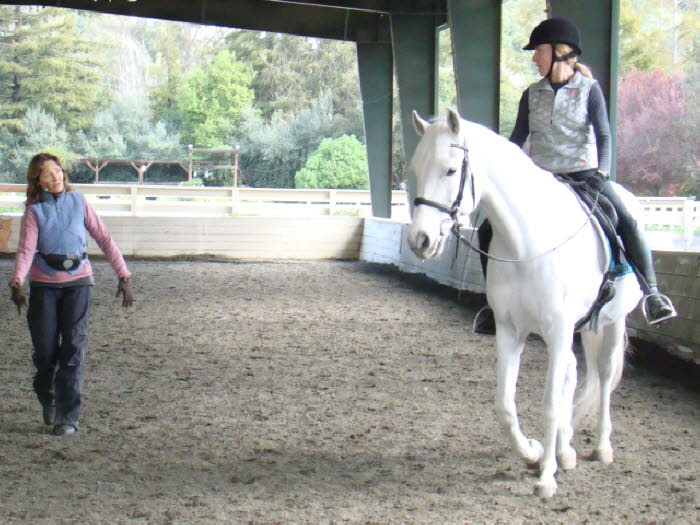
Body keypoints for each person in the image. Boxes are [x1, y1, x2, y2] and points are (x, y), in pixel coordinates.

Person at [473, 17, 676, 335]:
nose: (534, 58)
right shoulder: (531, 94)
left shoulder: (588, 90)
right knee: (487, 228)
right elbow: (517, 138)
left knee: (626, 220)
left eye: (538, 51)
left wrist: (602, 172)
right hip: (541, 179)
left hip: (583, 175)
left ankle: (652, 294)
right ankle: (492, 303)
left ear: (559, 52)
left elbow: (604, 135)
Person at [7, 152, 134, 436]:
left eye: (58, 171)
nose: (57, 176)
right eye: (49, 173)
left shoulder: (79, 202)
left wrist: (123, 274)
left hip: (79, 282)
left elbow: (103, 237)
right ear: (38, 180)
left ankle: (68, 416)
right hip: (44, 285)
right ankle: (47, 395)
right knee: (45, 351)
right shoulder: (34, 211)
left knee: (74, 348)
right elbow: (27, 249)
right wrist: (17, 282)